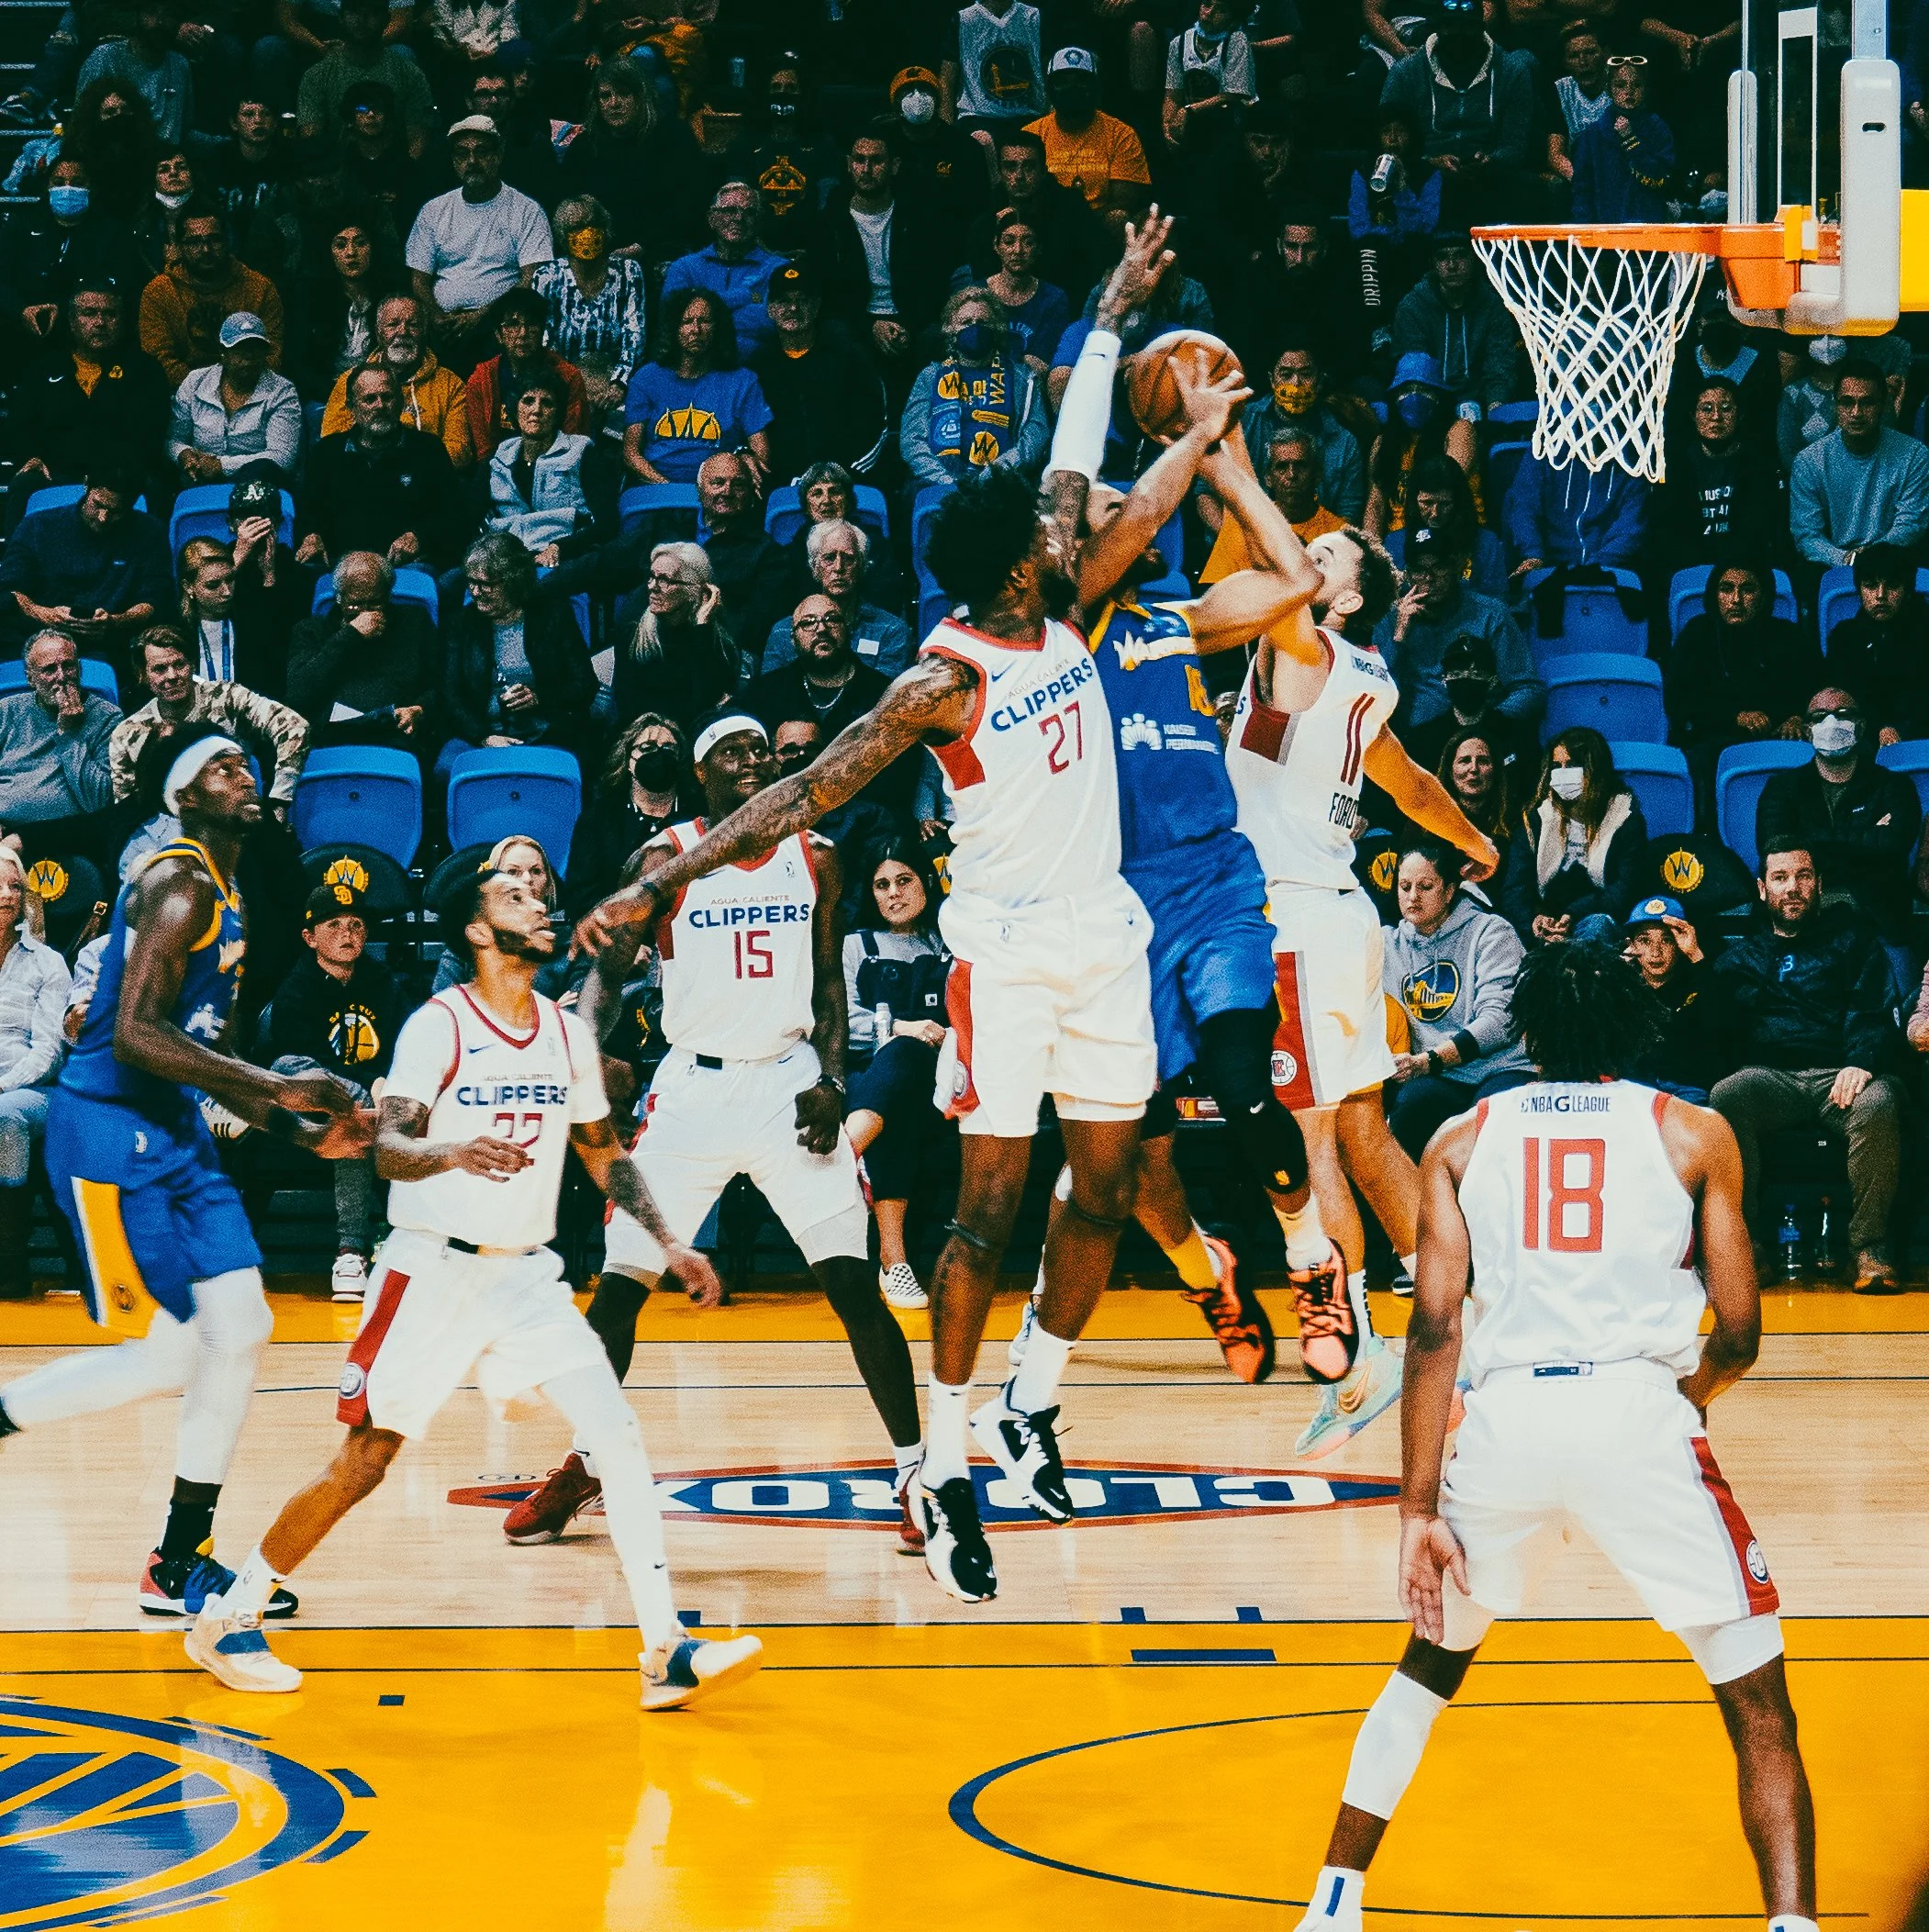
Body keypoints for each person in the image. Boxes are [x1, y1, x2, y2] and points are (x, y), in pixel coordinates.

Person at [569, 229, 1185, 1605]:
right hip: (1005, 953)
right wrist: (656, 879)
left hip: (1105, 933)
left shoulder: (1055, 597)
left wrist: (1107, 312)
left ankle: (1032, 1399)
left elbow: (1079, 462)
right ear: (1011, 569)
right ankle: (945, 1461)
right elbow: (800, 790)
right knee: (987, 1212)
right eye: (1038, 534)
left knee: (1104, 1188)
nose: (1058, 530)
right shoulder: (937, 679)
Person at [1289, 944, 1814, 1932]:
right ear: (1634, 1025)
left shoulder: (1460, 1137)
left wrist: (1415, 1508)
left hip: (1509, 1421)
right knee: (1757, 1704)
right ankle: (1792, 1922)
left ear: (1526, 1033)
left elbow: (1433, 1329)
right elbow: (1741, 1331)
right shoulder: (1693, 1131)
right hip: (1637, 1413)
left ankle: (1332, 1901)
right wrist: (1692, 1392)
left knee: (1426, 1669)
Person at [183, 864, 764, 1712]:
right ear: (479, 931)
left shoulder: (566, 1034)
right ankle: (229, 1618)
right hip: (433, 1269)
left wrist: (671, 1241)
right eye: (515, 897)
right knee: (366, 1461)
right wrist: (454, 1151)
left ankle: (665, 1649)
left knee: (615, 1432)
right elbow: (388, 1149)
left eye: (540, 892)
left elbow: (603, 1149)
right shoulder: (441, 1025)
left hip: (525, 1273)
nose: (540, 904)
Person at [514, 713, 926, 1553]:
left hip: (786, 1083)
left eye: (761, 749)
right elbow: (607, 976)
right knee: (620, 1289)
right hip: (692, 1092)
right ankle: (587, 1460)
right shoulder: (661, 859)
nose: (753, 759)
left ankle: (918, 1474)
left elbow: (829, 979)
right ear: (699, 774)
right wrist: (582, 1057)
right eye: (732, 750)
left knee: (855, 1288)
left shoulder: (817, 855)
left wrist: (832, 1079)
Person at [0, 737, 368, 1624]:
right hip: (107, 1129)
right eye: (222, 768)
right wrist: (279, 1085)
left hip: (172, 1129)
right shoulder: (179, 883)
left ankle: (178, 1561)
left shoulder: (232, 891)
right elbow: (136, 1034)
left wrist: (295, 1130)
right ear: (184, 796)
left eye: (247, 765)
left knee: (244, 1326)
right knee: (171, 1352)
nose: (245, 776)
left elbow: (211, 1048)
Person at [1215, 435, 1500, 1449]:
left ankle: (1362, 1356)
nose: (1307, 556)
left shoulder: (1307, 647)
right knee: (1367, 1133)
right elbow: (1411, 782)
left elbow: (1271, 560)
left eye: (1326, 556)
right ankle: (1463, 1316)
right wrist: (1475, 842)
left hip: (1296, 919)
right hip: (1339, 918)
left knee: (1310, 1140)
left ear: (1339, 596)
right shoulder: (1366, 672)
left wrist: (1225, 450)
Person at [1711, 844, 1905, 1293]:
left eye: (1803, 876)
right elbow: (1714, 1025)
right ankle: (1746, 1247)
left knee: (1879, 1101)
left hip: (1838, 1075)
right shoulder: (1743, 956)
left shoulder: (1853, 941)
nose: (1793, 887)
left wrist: (1861, 1062)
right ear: (1762, 890)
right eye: (1780, 878)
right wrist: (1699, 963)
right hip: (1771, 1078)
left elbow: (1874, 1010)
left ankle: (1869, 1248)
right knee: (1727, 1095)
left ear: (1820, 885)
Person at [263, 881, 406, 1300]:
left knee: (359, 1115)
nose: (347, 934)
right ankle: (356, 1248)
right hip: (308, 1101)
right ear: (310, 937)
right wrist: (369, 1085)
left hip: (367, 1104)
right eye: (334, 925)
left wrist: (385, 1083)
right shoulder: (295, 987)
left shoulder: (384, 983)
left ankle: (358, 1249)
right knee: (298, 1073)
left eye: (356, 925)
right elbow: (300, 1058)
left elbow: (407, 1045)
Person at [842, 835, 952, 1311]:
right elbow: (840, 1019)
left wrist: (944, 1036)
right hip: (871, 1076)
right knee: (900, 1076)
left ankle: (845, 1155)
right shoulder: (856, 945)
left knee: (909, 1062)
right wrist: (901, 1028)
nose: (893, 893)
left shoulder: (949, 944)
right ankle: (894, 1263)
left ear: (926, 881)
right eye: (881, 885)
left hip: (941, 1079)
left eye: (904, 880)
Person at [1381, 841, 1534, 1156]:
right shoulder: (1386, 944)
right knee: (1411, 1107)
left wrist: (1430, 1060)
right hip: (1438, 1075)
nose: (1413, 897)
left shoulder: (1492, 932)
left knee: (1494, 1118)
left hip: (1500, 1067)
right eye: (1405, 886)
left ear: (1450, 891)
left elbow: (1500, 1021)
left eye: (1425, 886)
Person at [1756, 687, 1922, 946]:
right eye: (1819, 716)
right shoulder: (1781, 787)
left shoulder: (1895, 786)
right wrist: (1867, 839)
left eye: (1843, 714)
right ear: (1807, 729)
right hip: (1801, 916)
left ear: (1861, 726)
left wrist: (1810, 841)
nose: (1831, 723)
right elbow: (1775, 847)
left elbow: (1893, 844)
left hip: (1876, 917)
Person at [5, 281, 171, 531]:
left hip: (123, 475)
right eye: (89, 313)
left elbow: (149, 435)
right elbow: (20, 425)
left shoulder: (145, 370)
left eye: (110, 314)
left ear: (123, 321)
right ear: (72, 322)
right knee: (24, 484)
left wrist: (112, 471)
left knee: (154, 487)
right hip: (56, 472)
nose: (100, 322)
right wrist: (31, 457)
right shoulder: (42, 369)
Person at [110, 624, 308, 821]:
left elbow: (295, 726)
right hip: (168, 830)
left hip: (237, 821)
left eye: (179, 664)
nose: (172, 676)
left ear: (192, 665)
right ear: (143, 675)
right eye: (160, 669)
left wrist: (279, 801)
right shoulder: (128, 734)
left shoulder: (228, 698)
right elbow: (127, 813)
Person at [405, 116, 552, 371]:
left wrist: (481, 315)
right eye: (462, 154)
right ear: (453, 160)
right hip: (443, 325)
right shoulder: (434, 210)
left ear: (498, 155)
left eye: (481, 152)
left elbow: (532, 278)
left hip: (500, 325)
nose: (471, 161)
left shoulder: (526, 210)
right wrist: (437, 316)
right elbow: (419, 279)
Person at [440, 533, 597, 761]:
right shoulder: (460, 624)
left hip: (549, 732)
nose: (475, 592)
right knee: (446, 768)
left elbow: (585, 684)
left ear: (513, 581)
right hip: (479, 734)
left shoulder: (553, 616)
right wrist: (484, 736)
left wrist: (540, 697)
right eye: (471, 582)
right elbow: (450, 695)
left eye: (485, 584)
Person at [1378, 0, 1536, 225]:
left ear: (1482, 28)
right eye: (1450, 26)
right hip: (1422, 177)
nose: (1459, 34)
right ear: (1437, 28)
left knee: (1525, 186)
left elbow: (1515, 144)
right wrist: (1429, 162)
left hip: (1492, 179)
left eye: (1468, 27)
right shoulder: (1405, 73)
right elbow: (1388, 144)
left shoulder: (1513, 71)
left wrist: (1492, 161)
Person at [1375, 526, 1544, 731]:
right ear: (1408, 575)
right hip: (1419, 736)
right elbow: (1376, 693)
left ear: (1455, 569)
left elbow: (1528, 689)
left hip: (1481, 732)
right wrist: (1399, 639)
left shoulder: (1490, 614)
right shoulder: (1393, 619)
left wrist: (1489, 724)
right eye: (1419, 570)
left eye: (1438, 567)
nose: (1429, 578)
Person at [297, 363, 463, 572]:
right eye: (369, 399)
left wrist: (420, 537)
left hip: (405, 566)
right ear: (351, 407)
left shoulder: (428, 449)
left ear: (401, 402)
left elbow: (452, 513)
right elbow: (307, 510)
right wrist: (311, 536)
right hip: (339, 566)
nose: (380, 406)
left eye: (387, 397)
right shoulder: (327, 452)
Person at [1666, 553, 1819, 775]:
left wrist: (1798, 717)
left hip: (1780, 737)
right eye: (1726, 589)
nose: (1736, 599)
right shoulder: (1697, 634)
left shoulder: (1788, 636)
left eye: (1747, 590)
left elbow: (1814, 686)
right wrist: (1736, 717)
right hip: (1715, 739)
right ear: (1714, 594)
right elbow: (1679, 700)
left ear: (1763, 596)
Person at [0, 462, 172, 653]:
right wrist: (44, 614)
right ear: (86, 485)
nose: (103, 517)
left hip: (114, 644)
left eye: (116, 511)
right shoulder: (37, 526)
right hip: (38, 639)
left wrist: (116, 622)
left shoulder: (150, 533)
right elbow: (9, 591)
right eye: (98, 505)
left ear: (132, 503)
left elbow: (155, 599)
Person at [0, 845, 72, 1296]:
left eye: (14, 886)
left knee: (5, 1115)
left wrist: (2, 1085)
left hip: (35, 1092)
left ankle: (9, 1259)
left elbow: (48, 1053)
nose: (7, 895)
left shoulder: (48, 963)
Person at [821, 128, 950, 380]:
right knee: (836, 335)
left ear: (894, 166)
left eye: (876, 160)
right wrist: (870, 327)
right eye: (859, 160)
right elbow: (829, 294)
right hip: (856, 320)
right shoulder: (830, 222)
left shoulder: (919, 218)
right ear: (849, 164)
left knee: (935, 336)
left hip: (910, 319)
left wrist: (907, 326)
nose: (866, 169)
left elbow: (933, 284)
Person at [285, 550, 438, 755]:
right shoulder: (311, 631)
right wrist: (349, 636)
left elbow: (441, 683)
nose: (366, 613)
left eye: (375, 603)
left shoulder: (415, 622)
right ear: (339, 598)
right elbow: (298, 695)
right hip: (330, 739)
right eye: (355, 604)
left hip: (398, 736)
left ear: (388, 595)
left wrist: (420, 709)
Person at [553, 61, 703, 267]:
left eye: (624, 94)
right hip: (597, 253)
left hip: (662, 248)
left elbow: (690, 202)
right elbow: (566, 202)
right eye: (605, 96)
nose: (614, 103)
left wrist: (642, 245)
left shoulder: (674, 136)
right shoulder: (586, 145)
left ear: (641, 96)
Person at [751, 259, 888, 483]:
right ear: (770, 309)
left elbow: (876, 423)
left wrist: (846, 475)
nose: (793, 309)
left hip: (847, 482)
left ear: (816, 306)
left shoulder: (850, 356)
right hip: (780, 486)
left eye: (802, 300)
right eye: (783, 301)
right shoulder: (759, 364)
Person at [899, 286, 1050, 489]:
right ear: (951, 330)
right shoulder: (930, 376)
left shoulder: (1022, 377)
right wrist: (947, 482)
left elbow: (1035, 436)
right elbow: (912, 439)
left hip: (1001, 483)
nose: (975, 328)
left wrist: (995, 473)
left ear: (996, 328)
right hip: (938, 483)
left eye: (983, 322)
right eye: (966, 322)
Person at [620, 287, 773, 486]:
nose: (696, 330)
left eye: (704, 321)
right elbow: (631, 453)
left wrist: (743, 460)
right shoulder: (647, 378)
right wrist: (668, 488)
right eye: (686, 322)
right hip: (657, 487)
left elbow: (761, 452)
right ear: (674, 328)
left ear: (717, 328)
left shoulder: (743, 381)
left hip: (721, 489)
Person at [1790, 359, 1929, 569]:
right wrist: (1847, 559)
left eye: (1867, 403)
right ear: (1835, 405)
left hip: (1893, 564)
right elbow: (1807, 535)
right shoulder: (1809, 462)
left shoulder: (1914, 455)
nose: (1856, 413)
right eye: (1847, 402)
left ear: (1883, 405)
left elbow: (1911, 524)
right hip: (1831, 566)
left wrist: (1869, 558)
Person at [318, 292, 474, 470]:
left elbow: (459, 452)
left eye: (413, 324)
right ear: (378, 332)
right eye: (393, 324)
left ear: (424, 331)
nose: (403, 332)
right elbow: (333, 444)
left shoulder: (451, 384)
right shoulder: (350, 381)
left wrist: (401, 465)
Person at [1653, 374, 1786, 579]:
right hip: (1689, 568)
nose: (1716, 417)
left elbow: (1759, 531)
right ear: (1693, 415)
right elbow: (1669, 531)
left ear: (1740, 415)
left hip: (1744, 568)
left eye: (1726, 408)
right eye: (1706, 409)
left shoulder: (1759, 466)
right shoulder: (1674, 468)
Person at [138, 202, 284, 389]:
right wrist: (209, 390)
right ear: (180, 247)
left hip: (250, 388)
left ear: (227, 242)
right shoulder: (159, 292)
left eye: (214, 240)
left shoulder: (260, 288)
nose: (206, 249)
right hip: (183, 392)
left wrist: (232, 392)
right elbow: (159, 360)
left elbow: (271, 355)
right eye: (194, 242)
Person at [1526, 729, 1651, 945]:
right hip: (1547, 921)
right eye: (1556, 766)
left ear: (1595, 769)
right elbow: (1516, 887)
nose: (1562, 774)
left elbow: (1624, 891)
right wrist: (1535, 919)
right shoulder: (1538, 817)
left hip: (1598, 918)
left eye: (1572, 765)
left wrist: (1573, 914)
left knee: (1597, 925)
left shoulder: (1626, 819)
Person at [531, 195, 646, 426]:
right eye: (576, 227)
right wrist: (573, 383)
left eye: (591, 224)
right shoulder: (547, 277)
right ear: (563, 236)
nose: (586, 233)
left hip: (617, 383)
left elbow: (634, 334)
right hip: (562, 382)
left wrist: (618, 383)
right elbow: (544, 340)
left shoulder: (628, 272)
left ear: (605, 228)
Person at [1389, 231, 1515, 423]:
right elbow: (1414, 370)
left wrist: (1495, 407)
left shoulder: (1493, 306)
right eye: (1442, 258)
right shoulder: (1413, 306)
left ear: (1474, 260)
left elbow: (1499, 362)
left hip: (1481, 401)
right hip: (1429, 402)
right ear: (1434, 264)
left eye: (1460, 255)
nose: (1452, 265)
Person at [566, 713, 683, 919]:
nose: (659, 755)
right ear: (628, 761)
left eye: (669, 749)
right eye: (647, 748)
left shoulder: (698, 814)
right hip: (616, 929)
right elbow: (581, 897)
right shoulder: (598, 819)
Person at [758, 521, 911, 679]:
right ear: (815, 567)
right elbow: (770, 689)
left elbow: (887, 691)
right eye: (829, 558)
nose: (839, 567)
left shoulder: (891, 630)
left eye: (849, 559)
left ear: (862, 566)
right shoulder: (784, 632)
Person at [610, 542, 735, 733]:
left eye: (664, 580)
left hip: (694, 738)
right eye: (651, 577)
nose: (652, 587)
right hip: (642, 735)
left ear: (693, 589)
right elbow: (628, 707)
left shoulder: (718, 643)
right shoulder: (632, 636)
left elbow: (705, 708)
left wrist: (702, 625)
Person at [1622, 895, 1734, 1105]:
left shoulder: (1699, 981)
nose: (1656, 952)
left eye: (1667, 940)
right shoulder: (1623, 986)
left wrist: (1695, 955)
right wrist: (1613, 973)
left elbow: (1721, 1022)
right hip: (1635, 1088)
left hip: (1686, 1089)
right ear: (1632, 945)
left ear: (1681, 943)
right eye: (1645, 941)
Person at [657, 181, 786, 363]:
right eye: (729, 211)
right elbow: (673, 319)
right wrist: (744, 296)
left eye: (749, 212)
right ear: (712, 219)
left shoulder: (778, 268)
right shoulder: (684, 267)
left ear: (758, 221)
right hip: (693, 369)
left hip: (756, 369)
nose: (739, 218)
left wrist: (702, 317)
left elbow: (771, 324)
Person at [167, 310, 301, 486]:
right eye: (240, 349)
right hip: (197, 483)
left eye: (256, 349)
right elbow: (173, 439)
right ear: (223, 351)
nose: (249, 357)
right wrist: (183, 454)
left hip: (257, 486)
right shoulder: (195, 382)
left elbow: (282, 457)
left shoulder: (283, 391)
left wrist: (222, 466)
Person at [287, 208, 404, 403]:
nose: (351, 253)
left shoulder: (389, 298)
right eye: (341, 245)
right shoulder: (312, 301)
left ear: (373, 248)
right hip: (326, 396)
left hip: (381, 395)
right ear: (329, 253)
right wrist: (336, 395)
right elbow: (300, 363)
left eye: (360, 243)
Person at [1027, 46, 1151, 226]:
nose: (1071, 89)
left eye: (1082, 81)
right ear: (1049, 89)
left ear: (1096, 88)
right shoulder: (1031, 134)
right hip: (1046, 223)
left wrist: (1082, 223)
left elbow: (1125, 202)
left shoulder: (1121, 134)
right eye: (1062, 82)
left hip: (1100, 226)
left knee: (1118, 217)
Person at [485, 372, 600, 564]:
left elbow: (607, 523)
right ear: (515, 409)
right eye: (528, 401)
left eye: (547, 403)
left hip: (566, 557)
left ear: (557, 414)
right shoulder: (500, 456)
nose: (537, 410)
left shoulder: (581, 452)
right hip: (506, 557)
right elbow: (470, 516)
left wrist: (561, 548)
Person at [696, 452, 790, 676]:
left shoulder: (768, 554)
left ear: (750, 494)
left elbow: (755, 627)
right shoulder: (665, 528)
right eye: (717, 482)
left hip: (719, 653)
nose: (727, 492)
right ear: (700, 489)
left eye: (738, 485)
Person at [292, 0, 433, 151]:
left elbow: (418, 140)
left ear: (386, 19)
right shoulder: (316, 76)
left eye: (372, 12)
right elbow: (311, 141)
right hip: (337, 163)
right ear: (341, 17)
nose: (362, 19)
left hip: (395, 163)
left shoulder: (411, 75)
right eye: (354, 11)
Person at [1823, 542, 1929, 743]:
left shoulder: (1924, 632)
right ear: (1860, 590)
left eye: (1892, 586)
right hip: (1862, 737)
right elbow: (1841, 698)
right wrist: (1878, 728)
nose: (1881, 595)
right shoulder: (1845, 637)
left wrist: (1899, 730)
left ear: (1907, 590)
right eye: (1871, 586)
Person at [1501, 447, 1648, 575]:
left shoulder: (1631, 462)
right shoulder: (1545, 450)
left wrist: (1595, 567)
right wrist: (1534, 556)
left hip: (1609, 572)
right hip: (1546, 568)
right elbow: (1523, 507)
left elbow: (1631, 528)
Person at [1570, 50, 1675, 221]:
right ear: (1609, 89)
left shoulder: (1657, 128)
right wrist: (1585, 229)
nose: (1629, 91)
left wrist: (1630, 140)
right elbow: (1582, 189)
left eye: (1637, 85)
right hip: (1605, 228)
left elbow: (1660, 179)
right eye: (1620, 85)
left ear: (1646, 89)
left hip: (1648, 226)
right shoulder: (1592, 135)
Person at [76, 0, 195, 147]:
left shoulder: (180, 65)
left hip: (169, 158)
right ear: (137, 15)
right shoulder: (104, 57)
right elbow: (80, 125)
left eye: (168, 14)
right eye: (151, 12)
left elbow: (185, 130)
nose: (160, 22)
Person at [983, 206, 1071, 377]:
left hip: (1029, 383)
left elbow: (1040, 364)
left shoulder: (1054, 299)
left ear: (1039, 248)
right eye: (1009, 242)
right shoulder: (978, 293)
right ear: (996, 245)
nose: (1018, 250)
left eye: (1028, 242)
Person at [1162, 3, 1256, 158]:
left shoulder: (1237, 41)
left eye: (1221, 10)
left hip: (1227, 126)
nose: (1210, 13)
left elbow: (1233, 94)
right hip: (1193, 127)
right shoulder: (1179, 43)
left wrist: (1189, 110)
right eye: (1207, 4)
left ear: (1233, 21)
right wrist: (1167, 125)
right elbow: (1172, 93)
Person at [942, 0, 1047, 134]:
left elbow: (1049, 73)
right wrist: (946, 130)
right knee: (982, 140)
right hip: (977, 118)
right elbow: (947, 81)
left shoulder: (1034, 17)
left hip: (1028, 115)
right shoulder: (963, 20)